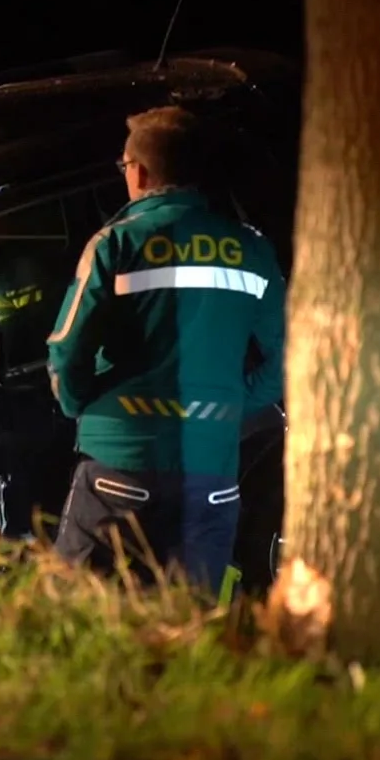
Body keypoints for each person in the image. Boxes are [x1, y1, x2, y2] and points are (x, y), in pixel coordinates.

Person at [45, 106, 285, 590]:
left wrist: (83, 404)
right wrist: (230, 407)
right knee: (188, 620)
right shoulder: (252, 249)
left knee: (79, 611)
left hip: (119, 467)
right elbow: (291, 357)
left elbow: (67, 351)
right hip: (211, 475)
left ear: (139, 172)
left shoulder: (116, 244)